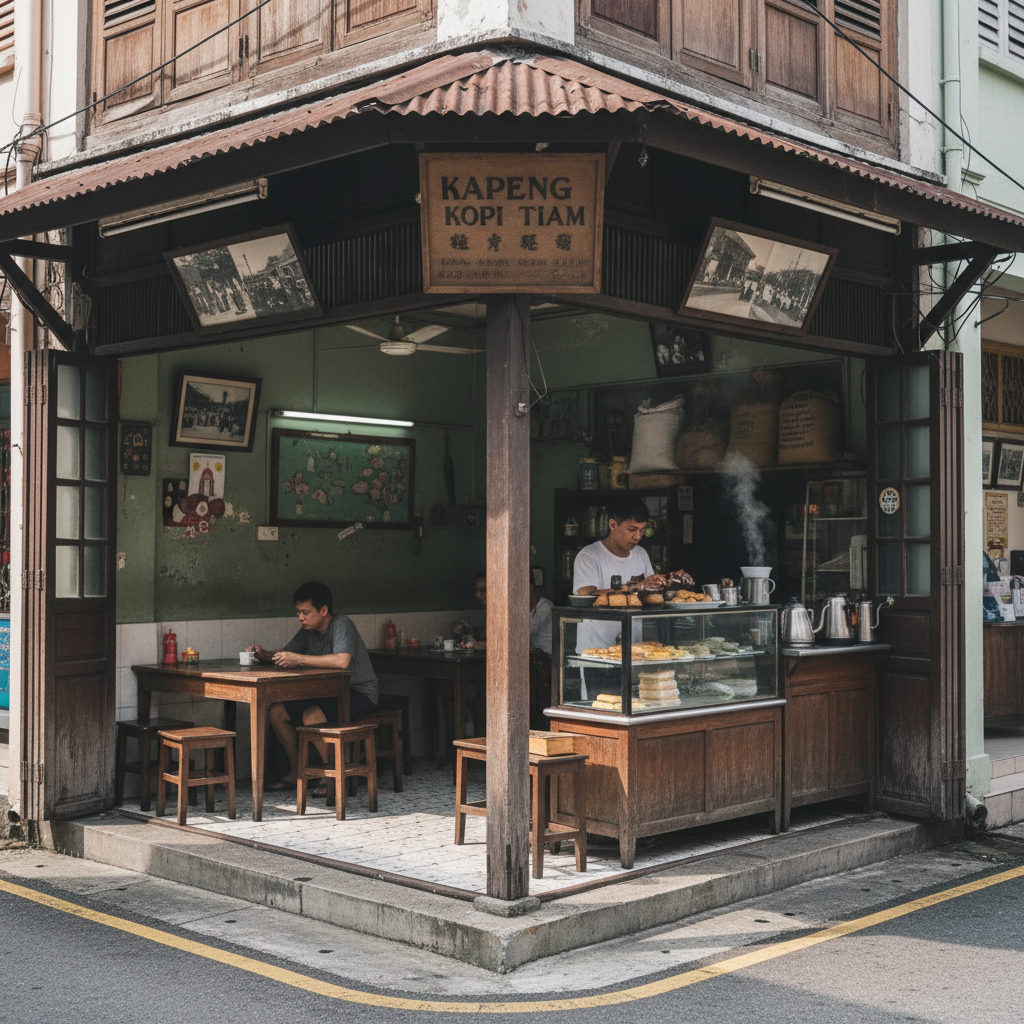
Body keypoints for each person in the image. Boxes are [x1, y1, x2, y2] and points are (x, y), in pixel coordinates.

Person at [249, 581, 378, 792]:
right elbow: (286, 652)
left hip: (358, 692)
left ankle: (333, 776)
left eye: (306, 612)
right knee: (276, 711)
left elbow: (342, 661)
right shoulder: (307, 630)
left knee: (312, 715)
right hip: (327, 693)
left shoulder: (342, 624)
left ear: (324, 610)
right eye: (298, 612)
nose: (301, 617)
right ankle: (299, 771)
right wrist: (264, 654)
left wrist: (299, 659)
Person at [572, 496, 666, 696]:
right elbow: (585, 592)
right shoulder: (590, 556)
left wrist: (662, 584)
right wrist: (636, 586)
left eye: (641, 530)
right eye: (632, 529)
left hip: (633, 650)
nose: (637, 536)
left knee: (633, 705)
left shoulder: (641, 554)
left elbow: (648, 592)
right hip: (597, 652)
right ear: (613, 525)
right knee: (601, 708)